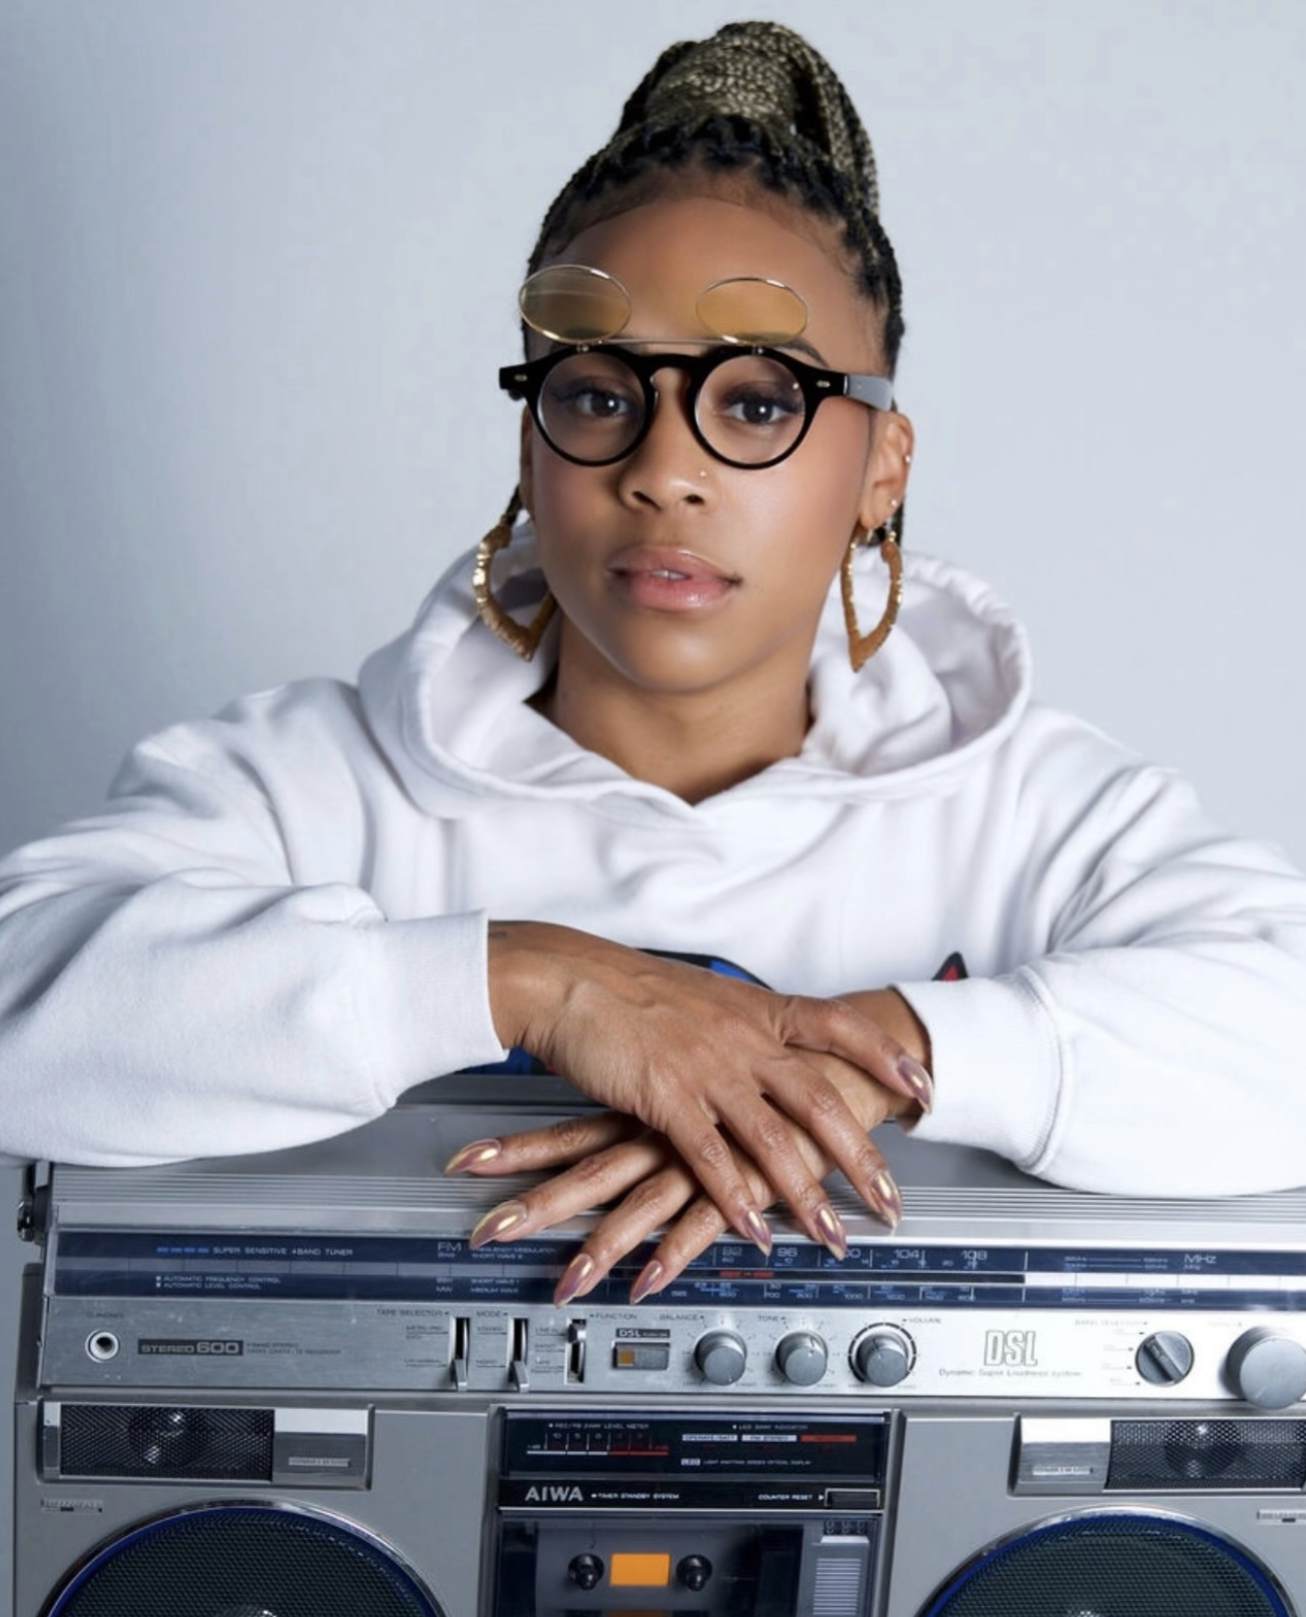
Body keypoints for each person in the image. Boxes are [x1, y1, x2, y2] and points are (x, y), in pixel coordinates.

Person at [2, 22, 1305, 1310]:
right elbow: (29, 992)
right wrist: (540, 979)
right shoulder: (315, 780)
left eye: (756, 400)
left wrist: (874, 1056)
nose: (663, 469)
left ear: (882, 468)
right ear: (531, 450)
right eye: (596, 392)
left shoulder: (1032, 808)